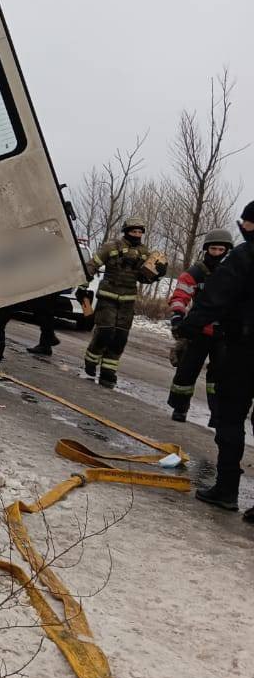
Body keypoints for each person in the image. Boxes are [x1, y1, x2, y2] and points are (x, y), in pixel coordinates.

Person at [178, 202, 254, 516]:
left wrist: (188, 327)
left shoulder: (244, 256)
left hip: (243, 351)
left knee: (231, 418)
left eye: (244, 223)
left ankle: (226, 489)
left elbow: (214, 298)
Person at [81, 216, 168, 388]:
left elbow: (144, 279)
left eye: (139, 232)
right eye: (133, 231)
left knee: (120, 338)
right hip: (107, 297)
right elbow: (91, 266)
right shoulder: (110, 247)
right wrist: (83, 287)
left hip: (128, 301)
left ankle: (108, 372)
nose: (136, 235)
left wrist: (157, 274)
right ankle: (91, 358)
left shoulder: (145, 253)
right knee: (105, 332)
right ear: (126, 231)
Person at [166, 229, 234, 421]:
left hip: (224, 333)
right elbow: (180, 296)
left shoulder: (235, 274)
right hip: (198, 330)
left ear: (227, 251)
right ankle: (180, 408)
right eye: (213, 249)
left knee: (220, 376)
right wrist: (178, 317)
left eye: (221, 249)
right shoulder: (196, 273)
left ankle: (218, 415)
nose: (217, 253)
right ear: (206, 249)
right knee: (186, 371)